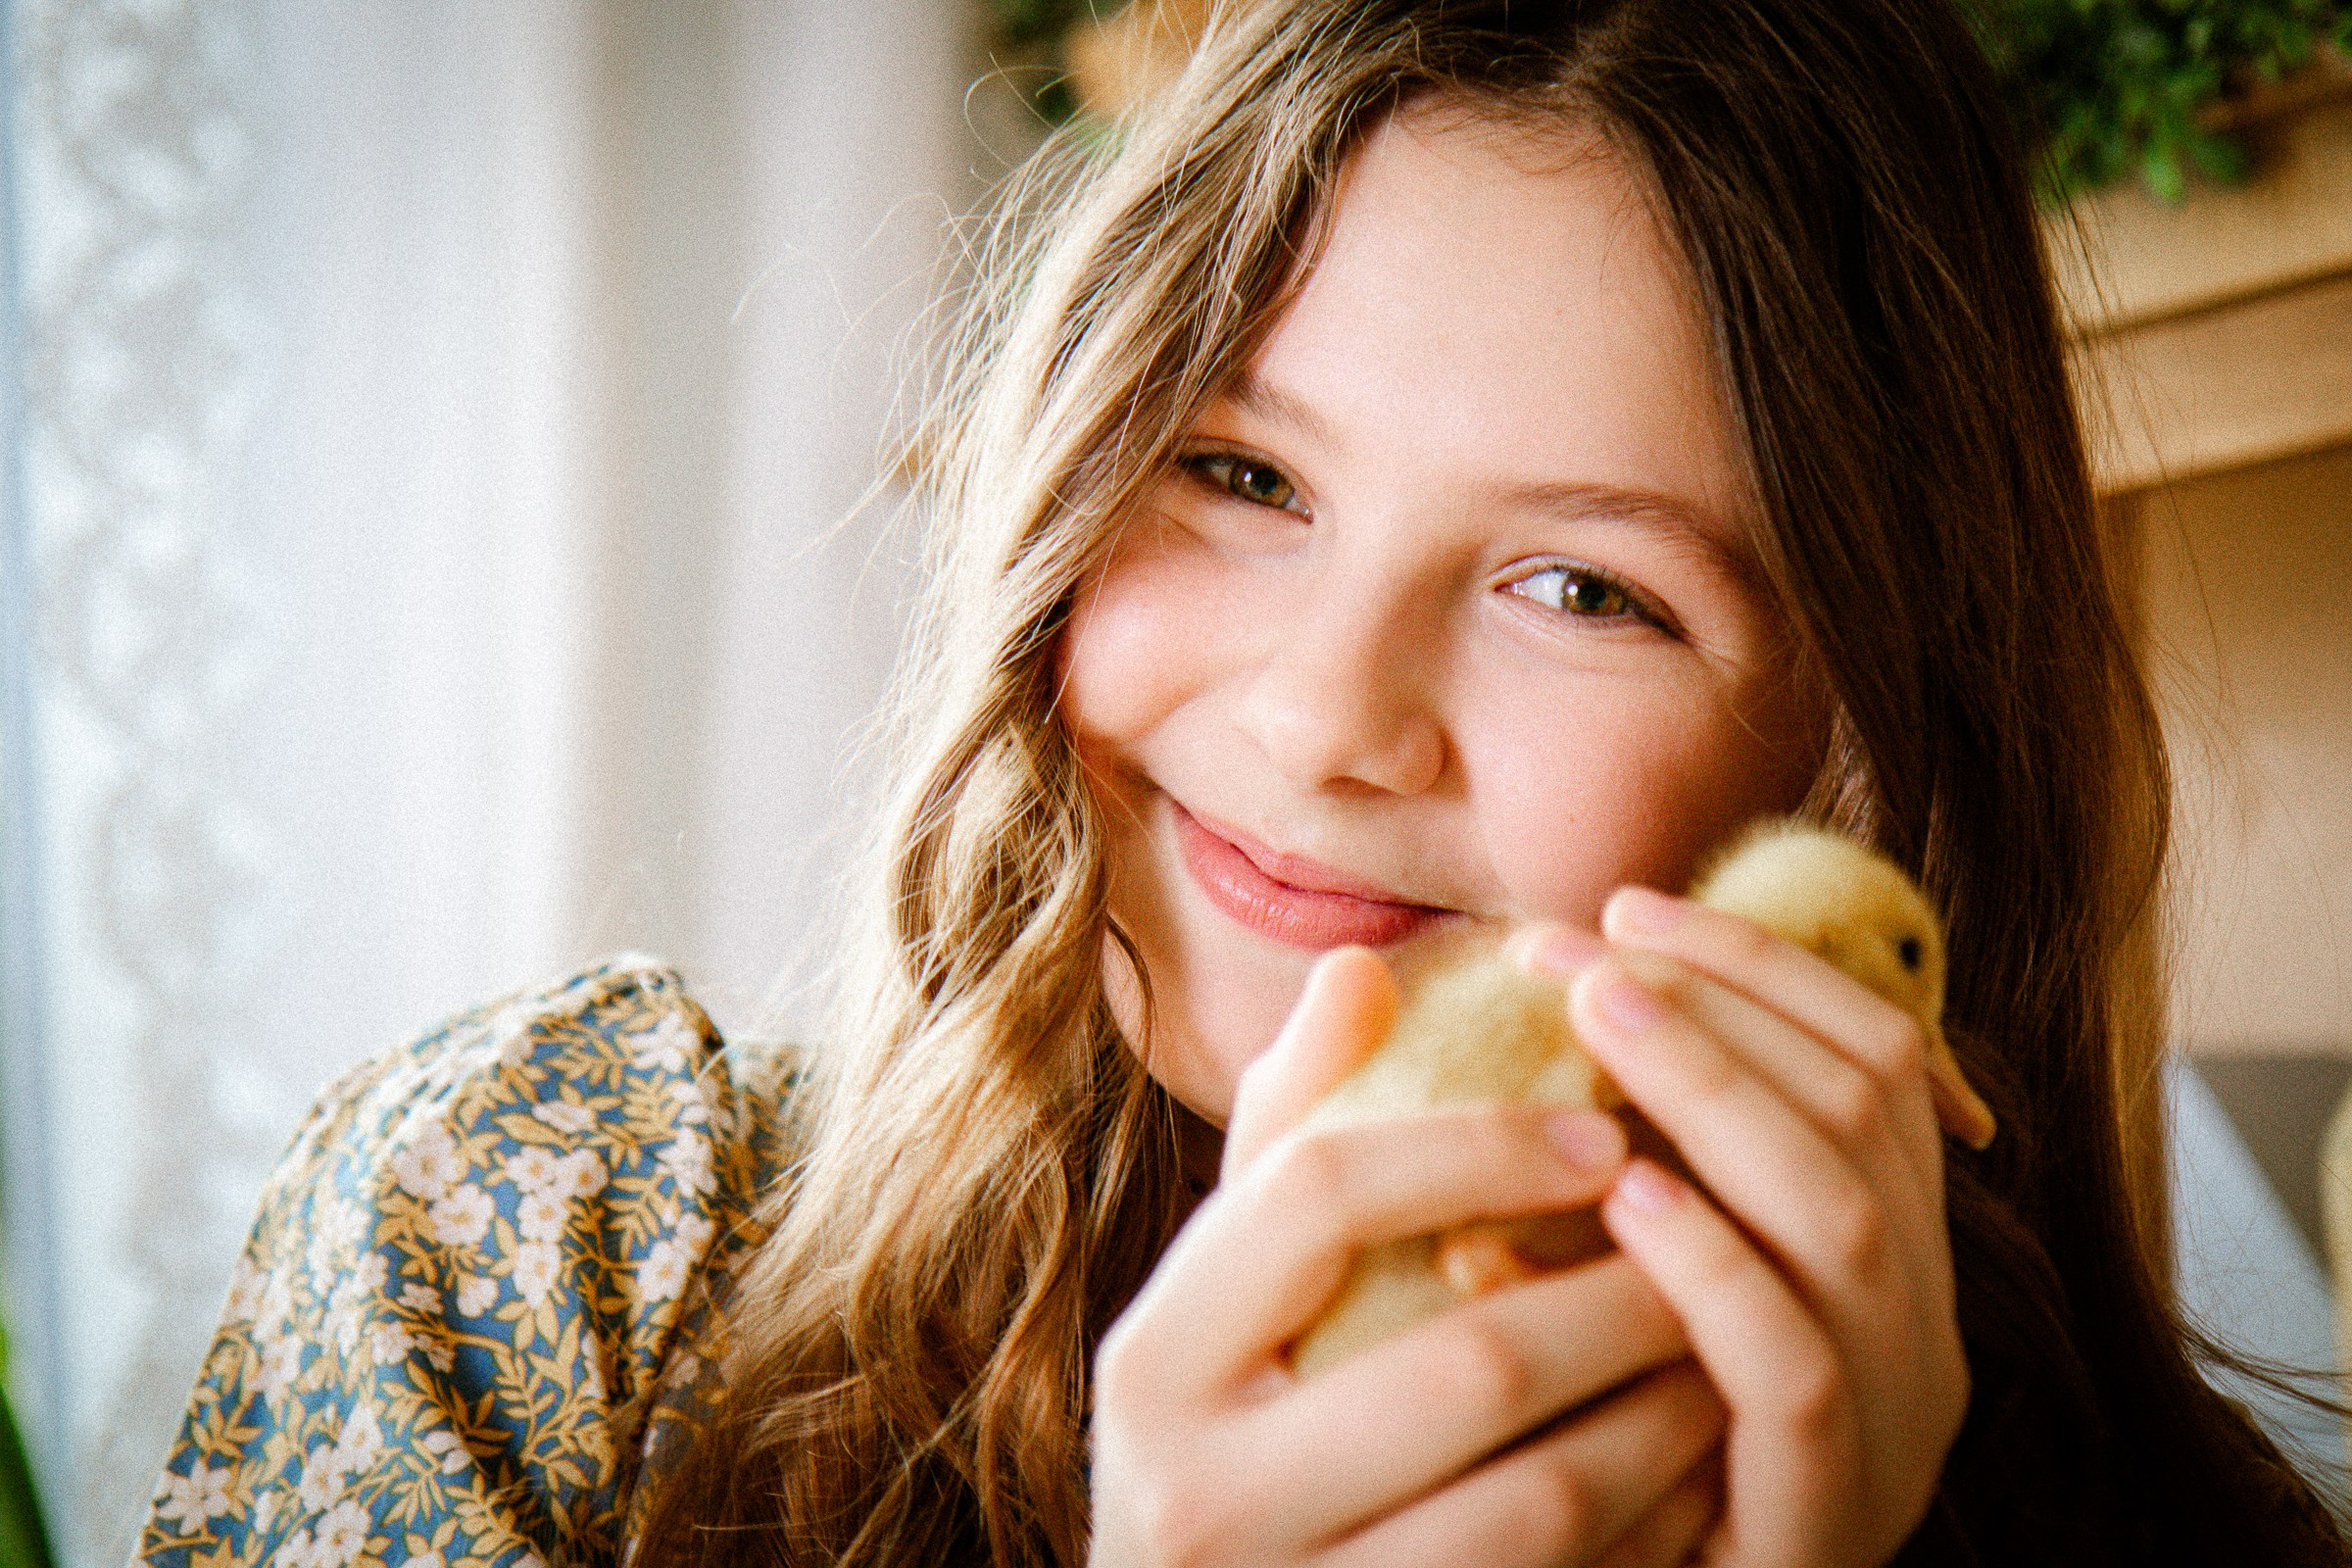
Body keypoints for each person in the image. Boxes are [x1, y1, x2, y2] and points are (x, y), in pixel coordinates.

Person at [136, 1, 2350, 1564]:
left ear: (1853, 762)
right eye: (1240, 471)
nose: (1322, 717)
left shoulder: (2177, 1527)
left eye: (1583, 587)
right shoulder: (527, 1254)